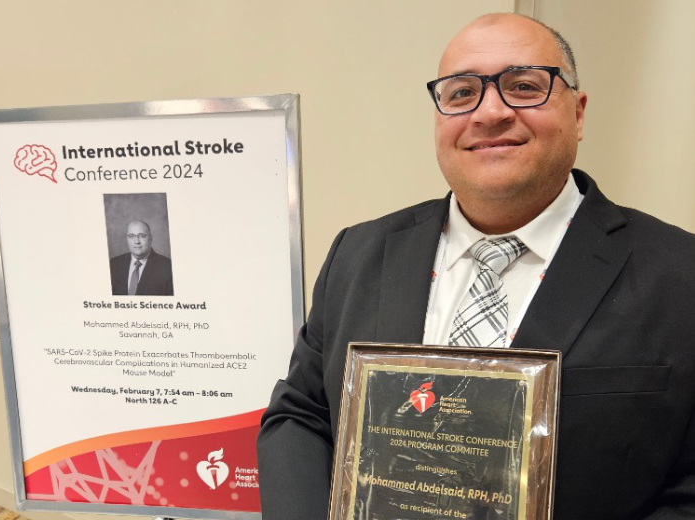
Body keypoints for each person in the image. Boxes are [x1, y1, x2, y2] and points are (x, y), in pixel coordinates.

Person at [257, 13, 695, 520]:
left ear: (578, 114)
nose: (489, 113)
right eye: (462, 93)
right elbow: (303, 413)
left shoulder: (679, 275)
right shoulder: (358, 254)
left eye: (524, 86)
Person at [109, 220, 174, 296]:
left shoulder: (168, 268)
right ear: (127, 239)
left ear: (150, 238)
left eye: (142, 236)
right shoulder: (113, 264)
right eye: (131, 236)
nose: (136, 241)